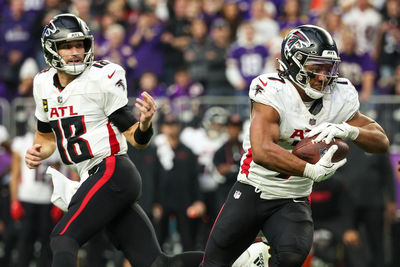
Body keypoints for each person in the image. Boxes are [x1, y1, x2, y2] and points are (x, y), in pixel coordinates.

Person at [200, 24, 390, 267]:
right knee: (214, 263)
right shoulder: (273, 90)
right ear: (293, 62)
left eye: (328, 67)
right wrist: (310, 170)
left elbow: (381, 142)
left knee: (292, 255)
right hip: (253, 190)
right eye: (316, 67)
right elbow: (262, 151)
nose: (324, 76)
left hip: (294, 197)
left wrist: (349, 130)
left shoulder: (339, 96)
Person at [24, 13, 202, 267]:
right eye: (67, 46)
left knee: (63, 238)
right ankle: (238, 261)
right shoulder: (42, 83)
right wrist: (39, 151)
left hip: (111, 170)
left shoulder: (101, 77)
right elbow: (45, 134)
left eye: (80, 45)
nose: (75, 52)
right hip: (96, 178)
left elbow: (136, 139)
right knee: (156, 263)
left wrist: (145, 124)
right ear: (51, 49)